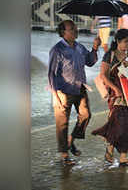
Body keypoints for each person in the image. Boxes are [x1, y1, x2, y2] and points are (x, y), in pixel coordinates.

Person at [48, 20, 101, 165]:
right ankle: (64, 155)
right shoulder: (57, 50)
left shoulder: (79, 47)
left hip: (79, 87)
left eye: (75, 28)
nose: (75, 31)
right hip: (63, 91)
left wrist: (95, 48)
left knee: (86, 115)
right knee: (62, 123)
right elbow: (51, 74)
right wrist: (55, 95)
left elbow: (89, 62)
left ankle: (70, 141)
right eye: (71, 29)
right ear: (63, 32)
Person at [92, 29, 128, 167]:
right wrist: (115, 89)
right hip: (117, 96)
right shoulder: (110, 55)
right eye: (125, 41)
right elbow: (103, 75)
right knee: (119, 124)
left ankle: (123, 157)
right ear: (118, 41)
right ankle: (109, 143)